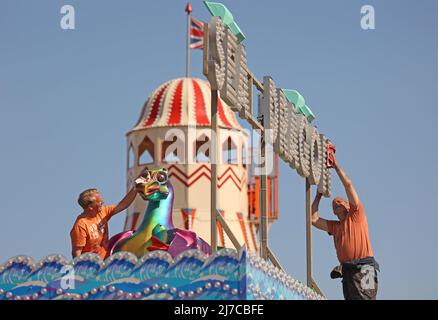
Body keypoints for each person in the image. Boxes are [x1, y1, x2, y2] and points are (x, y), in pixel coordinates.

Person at [311, 153, 379, 300]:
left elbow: (348, 184)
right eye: (334, 204)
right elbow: (314, 219)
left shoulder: (356, 215)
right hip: (348, 271)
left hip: (365, 266)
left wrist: (335, 165)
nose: (336, 203)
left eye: (340, 202)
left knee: (366, 298)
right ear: (334, 212)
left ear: (347, 206)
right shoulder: (335, 227)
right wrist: (318, 196)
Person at [70, 186, 139, 260]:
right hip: (92, 264)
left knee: (126, 236)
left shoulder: (102, 211)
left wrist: (135, 187)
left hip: (107, 257)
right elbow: (76, 253)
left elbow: (123, 204)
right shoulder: (81, 226)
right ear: (90, 207)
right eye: (99, 201)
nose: (102, 202)